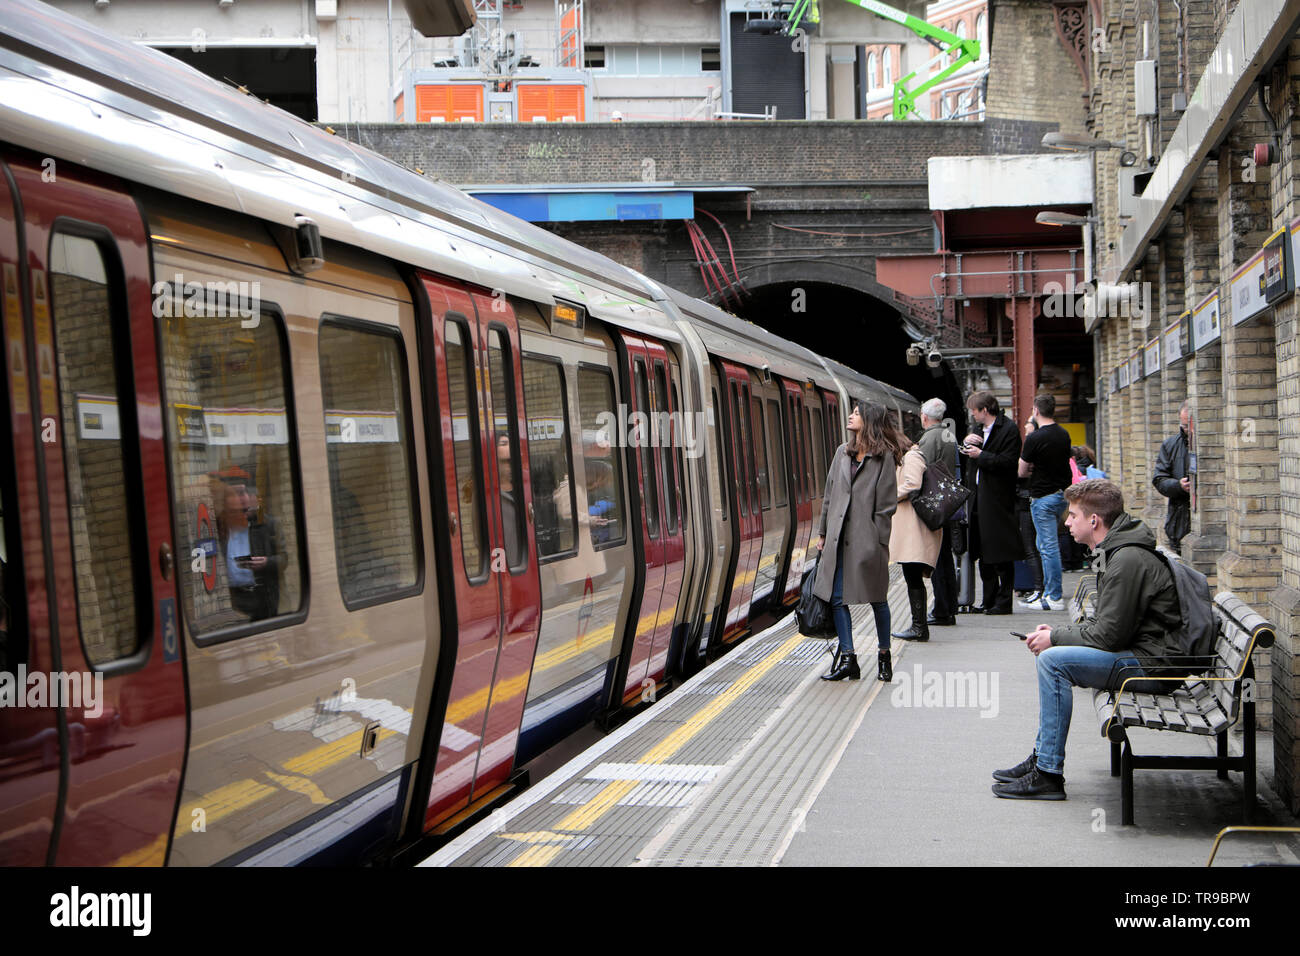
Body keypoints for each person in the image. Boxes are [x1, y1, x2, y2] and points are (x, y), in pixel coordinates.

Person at [990, 479, 1182, 799]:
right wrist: (1054, 635)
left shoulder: (1126, 559)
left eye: (1073, 515)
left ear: (1094, 521)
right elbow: (1105, 623)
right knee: (1052, 654)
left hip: (1154, 664)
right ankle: (1042, 757)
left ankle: (1048, 773)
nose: (1066, 522)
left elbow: (1107, 635)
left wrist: (1055, 639)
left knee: (1053, 662)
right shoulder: (1115, 551)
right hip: (1142, 653)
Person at [812, 403, 899, 683]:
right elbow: (829, 494)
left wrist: (878, 539)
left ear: (869, 420)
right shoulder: (842, 452)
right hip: (839, 538)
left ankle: (884, 654)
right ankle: (848, 658)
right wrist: (824, 532)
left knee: (877, 599)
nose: (851, 416)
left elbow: (886, 505)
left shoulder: (883, 457)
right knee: (837, 598)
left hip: (867, 540)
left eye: (857, 413)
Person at [961, 390, 1023, 614]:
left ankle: (1003, 602)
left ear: (985, 410)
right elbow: (970, 452)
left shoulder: (1008, 429)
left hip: (998, 498)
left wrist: (981, 456)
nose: (972, 416)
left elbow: (1008, 462)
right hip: (978, 496)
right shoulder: (978, 430)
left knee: (1001, 552)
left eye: (974, 411)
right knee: (982, 551)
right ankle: (988, 600)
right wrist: (966, 442)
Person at [1018, 394, 1072, 611]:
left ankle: (1054, 597)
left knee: (1048, 547)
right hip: (1060, 494)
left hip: (1042, 496)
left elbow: (1022, 470)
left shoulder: (1034, 438)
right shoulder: (1063, 434)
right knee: (1045, 545)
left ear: (1036, 411)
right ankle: (1049, 593)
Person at [890, 427, 943, 643]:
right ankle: (918, 626)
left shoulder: (911, 456)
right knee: (911, 575)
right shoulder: (909, 456)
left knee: (913, 576)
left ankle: (919, 627)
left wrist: (888, 497)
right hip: (910, 526)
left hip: (915, 527)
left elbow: (913, 483)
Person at [212, 467, 284, 622]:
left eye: (244, 493)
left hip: (260, 598)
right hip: (231, 599)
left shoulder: (266, 524)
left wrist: (267, 562)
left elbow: (285, 559)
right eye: (236, 494)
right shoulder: (218, 527)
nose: (242, 499)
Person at [916, 398, 958, 627]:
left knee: (937, 558)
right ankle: (949, 606)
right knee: (945, 559)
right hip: (946, 501)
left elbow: (923, 469)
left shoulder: (930, 438)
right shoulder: (947, 434)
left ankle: (942, 609)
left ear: (924, 416)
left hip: (935, 503)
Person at [1152, 402, 1192, 551]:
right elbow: (1159, 479)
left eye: (1189, 425)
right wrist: (1178, 485)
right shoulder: (1170, 445)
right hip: (1179, 523)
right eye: (1184, 426)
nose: (1187, 430)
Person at [1015, 418, 1045, 607]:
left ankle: (1038, 587)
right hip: (1043, 496)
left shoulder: (1033, 444)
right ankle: (1043, 587)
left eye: (1028, 423)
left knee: (1030, 547)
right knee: (1044, 546)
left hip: (1027, 499)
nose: (1025, 426)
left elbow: (1021, 472)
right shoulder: (1051, 442)